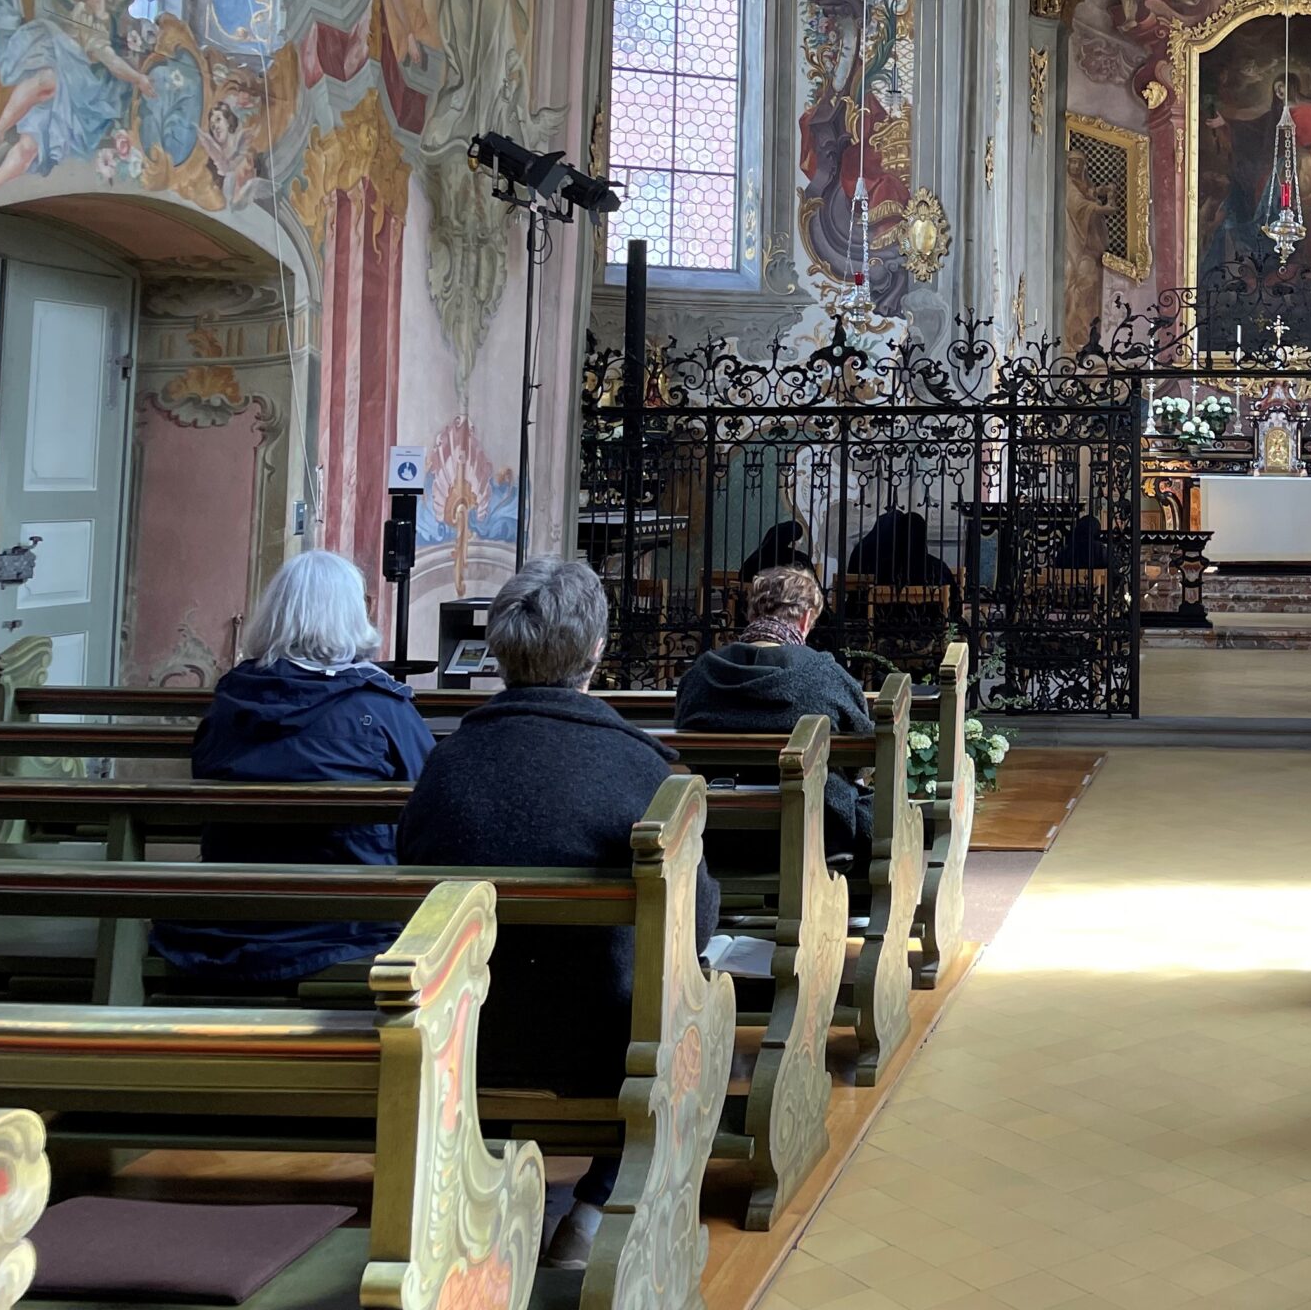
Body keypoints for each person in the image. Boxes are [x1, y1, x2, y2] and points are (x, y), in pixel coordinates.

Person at [397, 559, 719, 1270]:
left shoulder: (447, 766)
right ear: (597, 652)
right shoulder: (642, 768)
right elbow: (691, 927)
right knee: (701, 1004)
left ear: (499, 649)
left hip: (461, 1033)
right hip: (600, 1045)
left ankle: (486, 1193)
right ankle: (600, 1205)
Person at [151, 551, 436, 984]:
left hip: (230, 917)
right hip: (347, 922)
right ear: (350, 616)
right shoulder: (383, 710)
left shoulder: (230, 705)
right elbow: (428, 806)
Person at [678, 566, 874, 869]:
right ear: (806, 618)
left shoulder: (701, 674)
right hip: (817, 834)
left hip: (716, 834)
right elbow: (863, 751)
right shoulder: (823, 674)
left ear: (752, 613)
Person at [844, 509, 954, 587]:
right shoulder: (937, 567)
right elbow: (954, 599)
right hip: (931, 618)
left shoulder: (886, 568)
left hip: (888, 617)